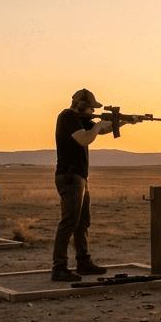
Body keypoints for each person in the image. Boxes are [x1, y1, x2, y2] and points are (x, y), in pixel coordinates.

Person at [51, 89, 140, 282]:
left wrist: (123, 121)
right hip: (70, 176)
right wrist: (99, 124)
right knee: (69, 223)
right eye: (91, 107)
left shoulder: (80, 119)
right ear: (81, 105)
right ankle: (59, 268)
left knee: (82, 223)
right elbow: (86, 138)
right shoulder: (68, 116)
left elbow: (102, 130)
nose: (93, 111)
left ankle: (83, 262)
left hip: (80, 177)